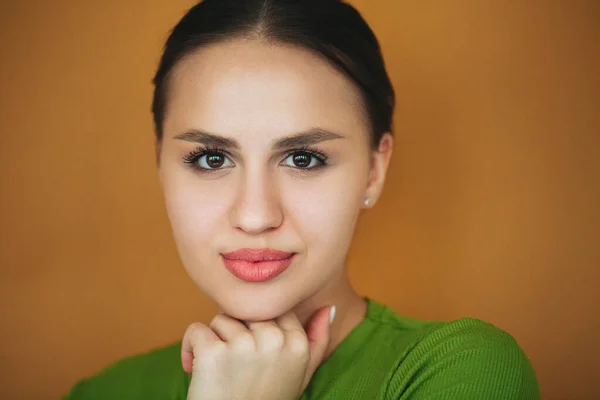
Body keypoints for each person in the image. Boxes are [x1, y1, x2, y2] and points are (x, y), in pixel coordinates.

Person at [63, 0, 540, 398]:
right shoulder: (103, 392)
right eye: (211, 159)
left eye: (303, 159)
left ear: (375, 170)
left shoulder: (458, 371)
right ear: (160, 164)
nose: (254, 216)